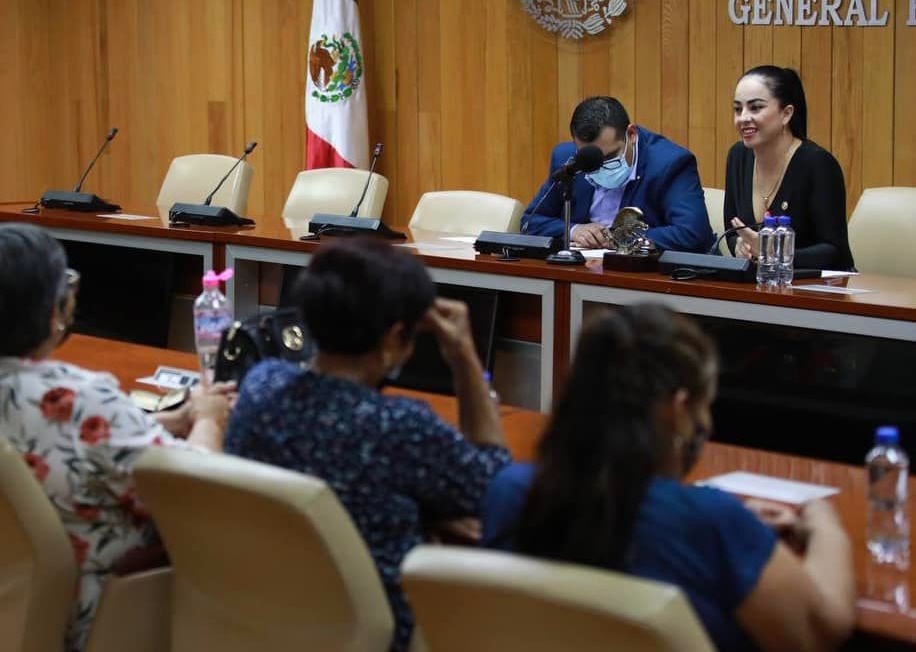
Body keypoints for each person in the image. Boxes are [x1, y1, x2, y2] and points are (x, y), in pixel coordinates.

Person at [481, 304, 855, 651]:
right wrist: (824, 523)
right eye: (703, 406)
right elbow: (819, 630)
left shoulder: (509, 491)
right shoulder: (710, 523)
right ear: (678, 411)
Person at [224, 238, 511, 652]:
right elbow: (496, 488)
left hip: (261, 618)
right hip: (377, 635)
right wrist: (464, 355)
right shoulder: (400, 428)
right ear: (394, 338)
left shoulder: (260, 386)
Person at [0, 223, 235, 652]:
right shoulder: (79, 398)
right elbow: (198, 490)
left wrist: (171, 420)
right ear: (53, 311)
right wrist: (209, 418)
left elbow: (71, 444)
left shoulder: (64, 406)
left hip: (15, 599)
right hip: (97, 606)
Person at [522, 96, 713, 252]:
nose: (603, 166)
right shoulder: (569, 161)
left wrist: (620, 238)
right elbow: (529, 223)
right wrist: (573, 230)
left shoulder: (670, 163)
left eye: (611, 155)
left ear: (631, 135)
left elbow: (693, 234)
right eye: (593, 159)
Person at [726, 66, 855, 270]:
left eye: (755, 108)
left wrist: (773, 252)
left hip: (817, 291)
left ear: (786, 114)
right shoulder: (738, 157)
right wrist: (741, 246)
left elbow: (833, 251)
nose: (743, 118)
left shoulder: (818, 164)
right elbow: (732, 232)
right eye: (737, 109)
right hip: (759, 286)